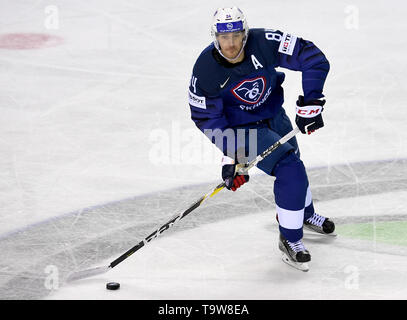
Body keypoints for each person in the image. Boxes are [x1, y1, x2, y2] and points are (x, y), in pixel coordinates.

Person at [188, 7, 335, 271]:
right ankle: (290, 239)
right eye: (224, 37)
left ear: (245, 33)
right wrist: (232, 153)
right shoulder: (205, 71)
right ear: (215, 37)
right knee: (291, 169)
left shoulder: (265, 42)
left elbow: (312, 57)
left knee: (295, 164)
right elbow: (207, 118)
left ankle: (303, 214)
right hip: (244, 129)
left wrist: (312, 102)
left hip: (274, 115)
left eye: (236, 36)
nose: (231, 44)